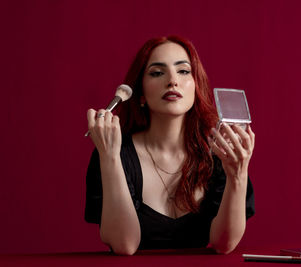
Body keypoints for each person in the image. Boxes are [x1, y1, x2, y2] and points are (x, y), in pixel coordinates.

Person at [85, 35, 255, 255]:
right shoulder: (114, 152)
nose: (172, 80)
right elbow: (124, 244)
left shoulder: (219, 155)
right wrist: (109, 158)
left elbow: (224, 244)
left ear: (196, 85)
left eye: (183, 71)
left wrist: (238, 174)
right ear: (141, 94)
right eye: (157, 73)